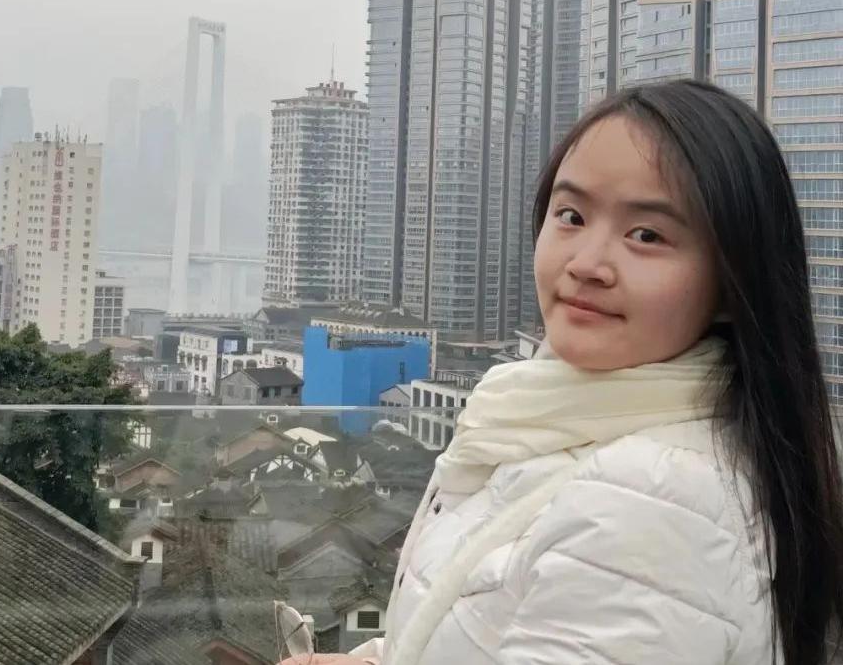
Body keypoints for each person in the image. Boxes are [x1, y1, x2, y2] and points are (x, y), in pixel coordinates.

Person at [282, 80, 843, 664]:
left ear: (732, 282)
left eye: (647, 235)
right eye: (572, 215)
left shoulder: (654, 500)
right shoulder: (548, 416)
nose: (587, 263)